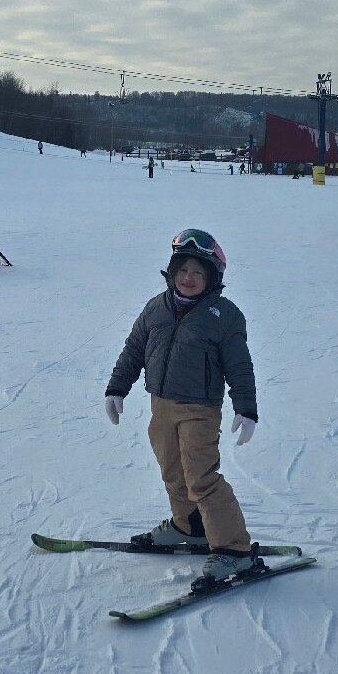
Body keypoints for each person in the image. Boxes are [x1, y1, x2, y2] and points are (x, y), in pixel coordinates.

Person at [104, 229, 260, 586]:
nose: (188, 278)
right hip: (161, 404)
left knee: (201, 477)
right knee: (173, 471)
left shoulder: (224, 315)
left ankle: (234, 550)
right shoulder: (156, 307)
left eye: (198, 273)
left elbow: (239, 365)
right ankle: (190, 526)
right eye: (183, 270)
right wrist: (117, 388)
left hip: (199, 409)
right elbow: (134, 350)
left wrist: (246, 408)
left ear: (212, 278)